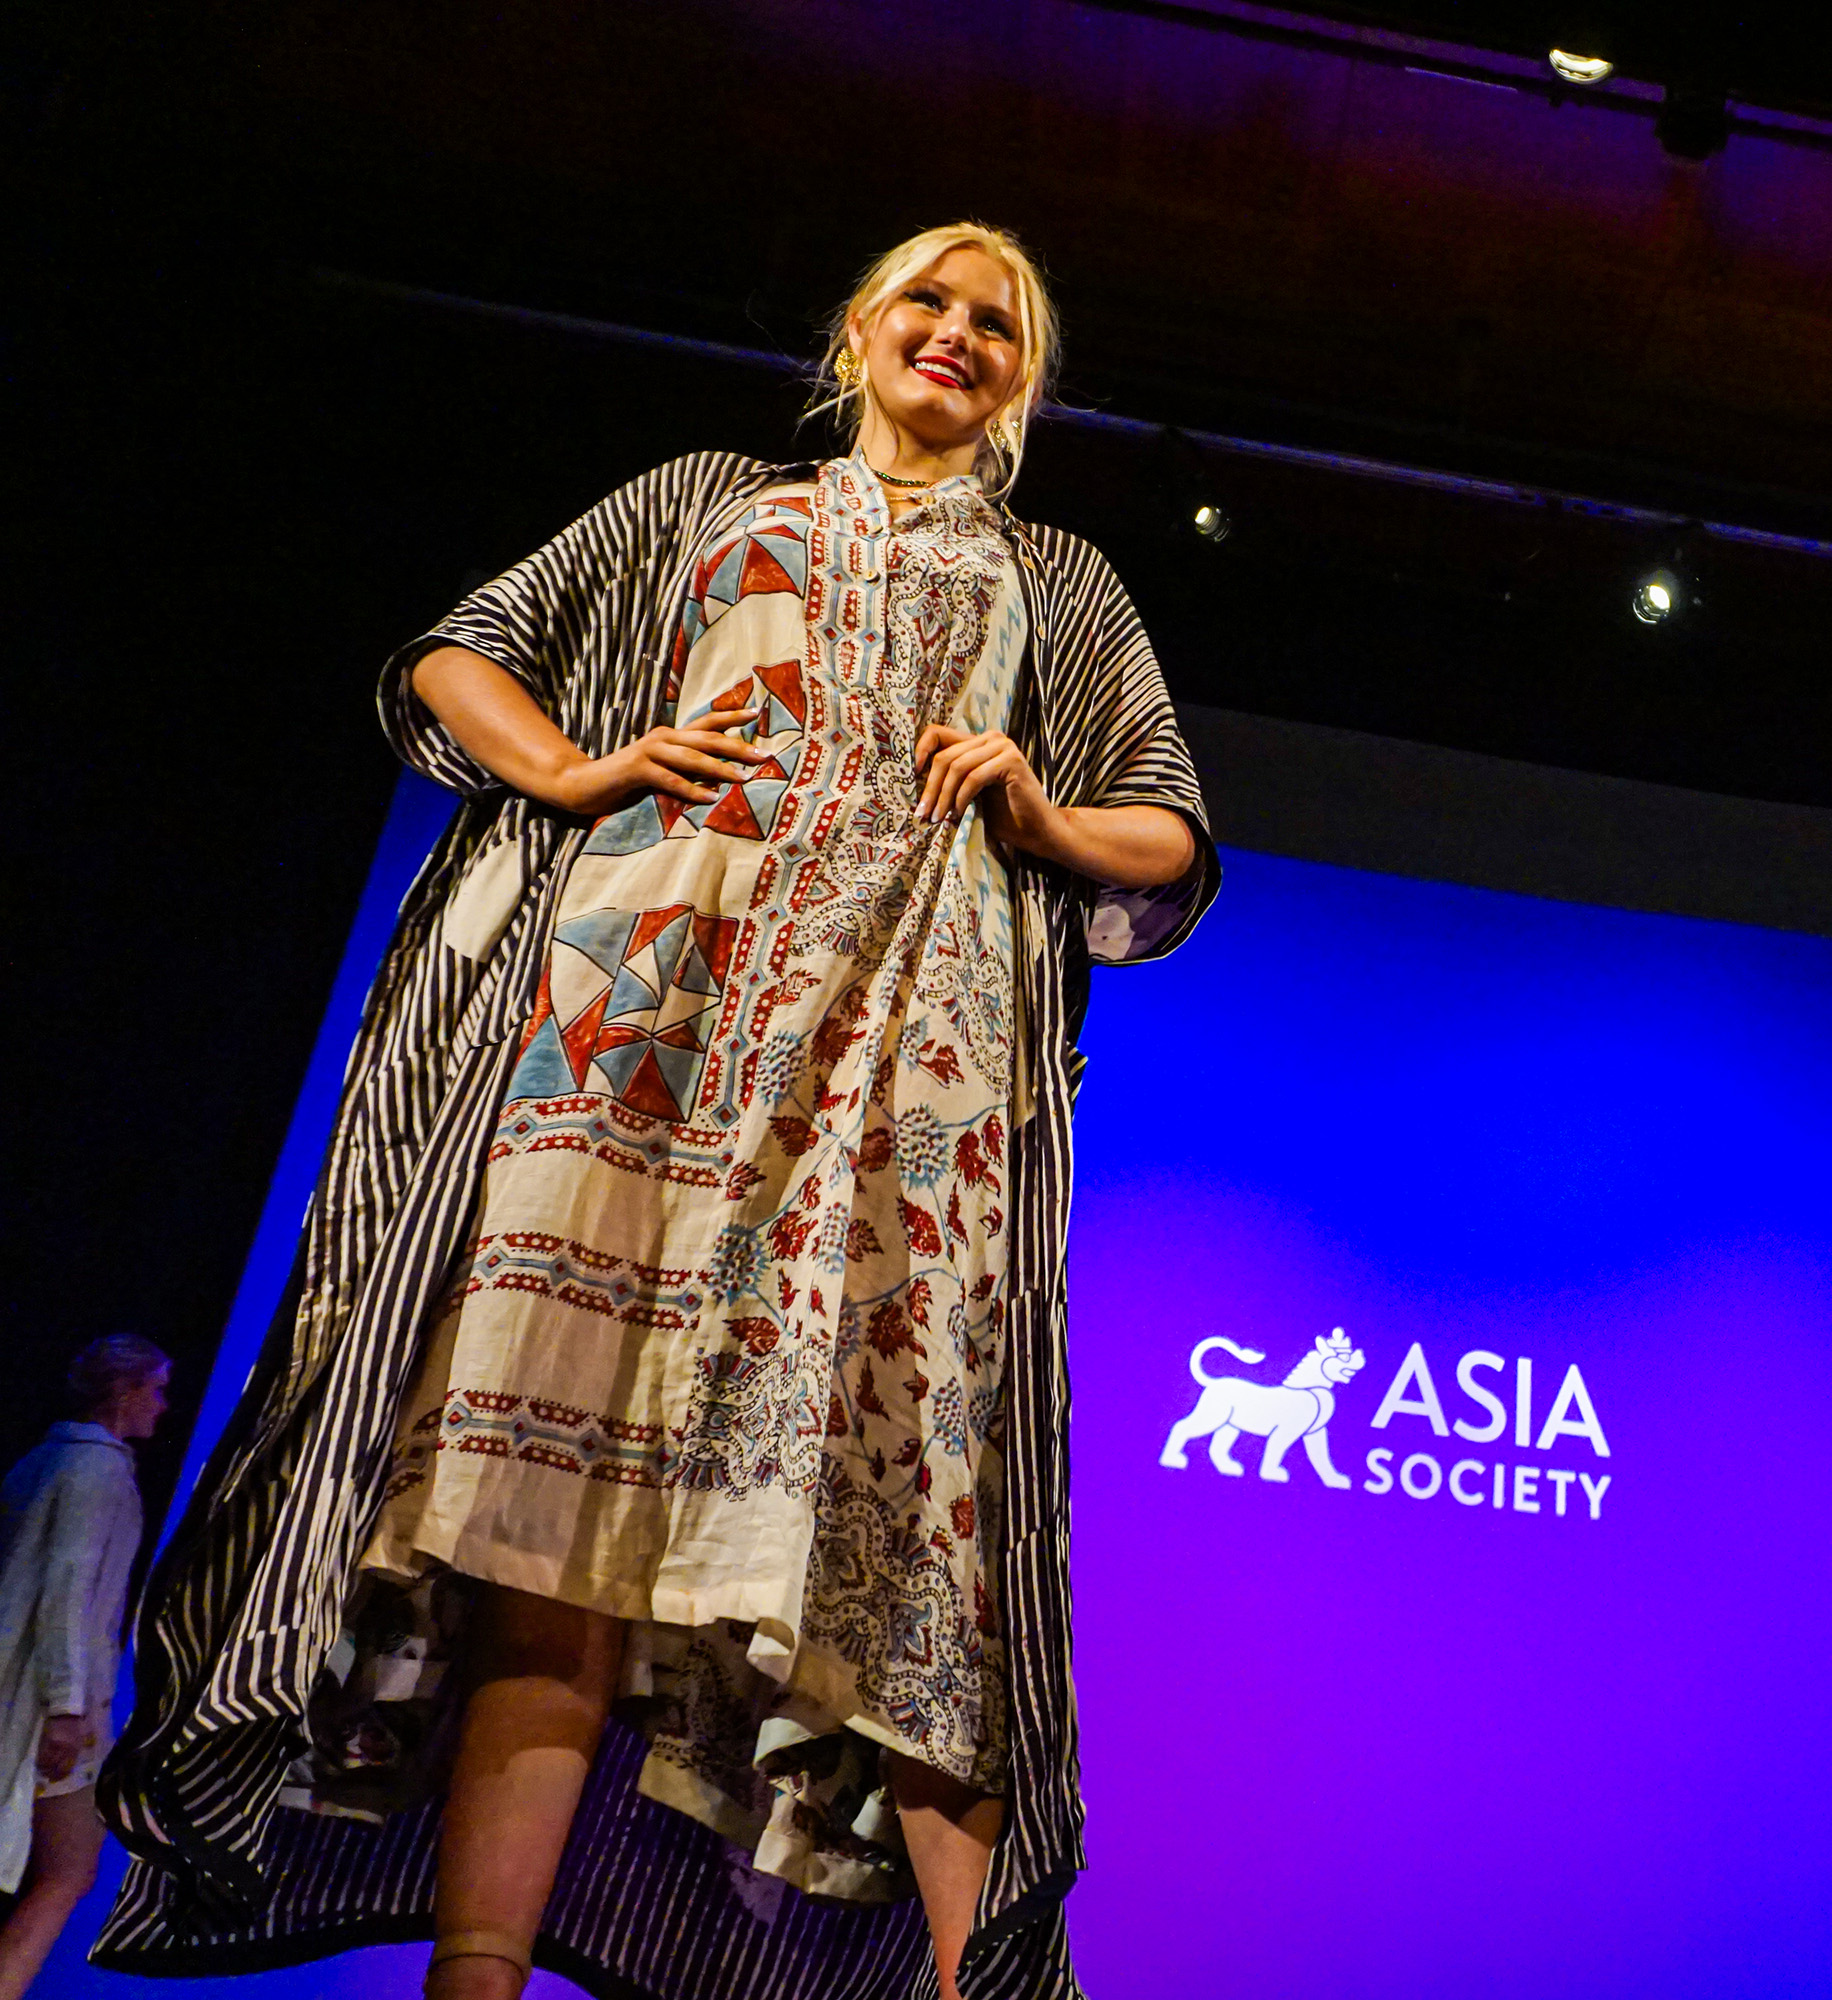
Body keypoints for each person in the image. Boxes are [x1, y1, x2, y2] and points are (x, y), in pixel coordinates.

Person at [96, 222, 1217, 2000]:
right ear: (857, 332)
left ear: (1025, 382)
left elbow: (1163, 829)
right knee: (553, 1531)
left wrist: (1042, 811)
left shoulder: (1056, 581)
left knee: (918, 1554)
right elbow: (464, 655)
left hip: (893, 1097)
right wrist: (568, 764)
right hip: (633, 1051)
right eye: (927, 298)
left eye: (997, 322)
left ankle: (979, 1984)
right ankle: (474, 1976)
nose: (957, 332)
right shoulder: (701, 493)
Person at [0, 1336, 169, 2000]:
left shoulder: (42, 1461)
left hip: (33, 1692)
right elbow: (68, 1592)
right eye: (154, 1389)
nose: (162, 1404)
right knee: (67, 1870)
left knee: (68, 1869)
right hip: (41, 1703)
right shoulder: (94, 1472)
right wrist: (68, 1707)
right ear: (125, 1393)